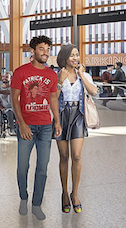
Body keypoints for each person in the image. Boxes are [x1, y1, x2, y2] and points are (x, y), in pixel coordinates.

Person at [11, 35, 62, 221]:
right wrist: (22, 123)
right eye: (41, 49)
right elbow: (14, 99)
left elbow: (54, 99)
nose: (45, 52)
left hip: (45, 127)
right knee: (23, 167)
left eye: (48, 49)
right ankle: (23, 198)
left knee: (42, 168)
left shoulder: (51, 74)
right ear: (32, 51)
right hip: (27, 126)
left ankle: (36, 204)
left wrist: (56, 120)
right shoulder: (20, 72)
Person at [55, 44, 97, 214]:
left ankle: (75, 194)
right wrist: (59, 81)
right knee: (64, 156)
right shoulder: (56, 75)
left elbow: (93, 91)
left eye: (77, 55)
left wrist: (81, 75)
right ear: (64, 57)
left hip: (78, 116)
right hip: (61, 116)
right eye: (72, 55)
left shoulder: (83, 75)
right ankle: (64, 193)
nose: (75, 58)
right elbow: (52, 99)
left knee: (77, 156)